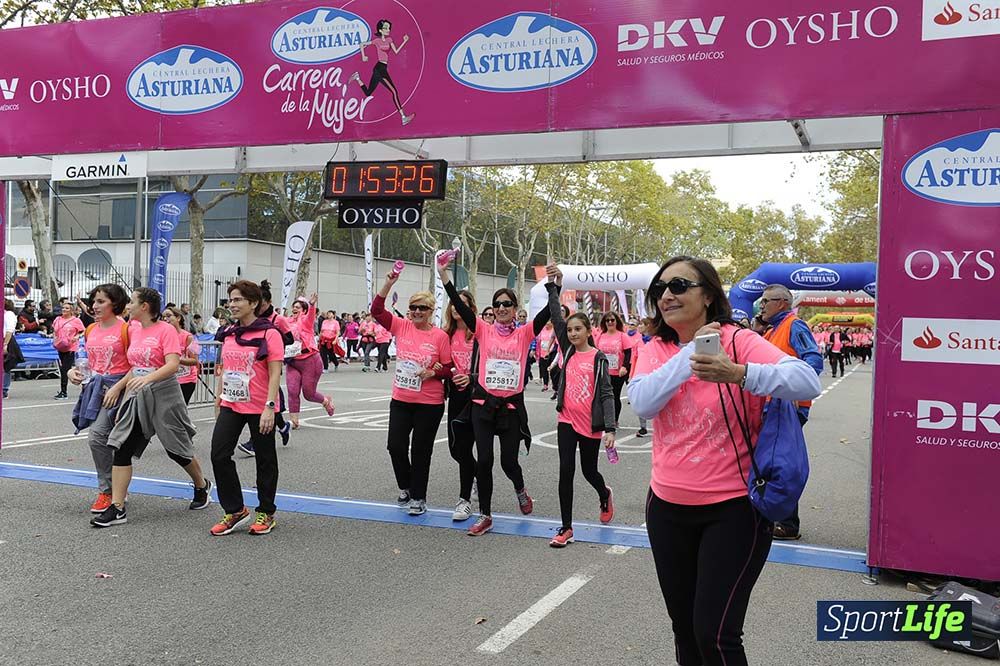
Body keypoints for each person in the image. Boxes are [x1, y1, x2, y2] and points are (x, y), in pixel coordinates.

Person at [627, 256, 820, 666]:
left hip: (733, 511)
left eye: (679, 285)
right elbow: (642, 403)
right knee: (683, 628)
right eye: (660, 288)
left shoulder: (738, 340)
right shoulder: (655, 349)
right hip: (666, 508)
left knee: (714, 634)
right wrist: (688, 356)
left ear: (709, 295)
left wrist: (741, 374)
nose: (667, 295)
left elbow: (808, 380)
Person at [439, 260, 559, 536]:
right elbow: (457, 301)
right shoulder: (482, 329)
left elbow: (548, 313)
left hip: (510, 409)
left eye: (507, 304)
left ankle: (520, 488)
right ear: (492, 309)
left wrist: (554, 285)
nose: (502, 308)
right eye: (497, 304)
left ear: (515, 309)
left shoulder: (525, 332)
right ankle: (486, 515)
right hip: (482, 406)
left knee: (508, 462)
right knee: (484, 461)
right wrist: (443, 274)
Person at [90, 288, 211, 527]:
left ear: (144, 306)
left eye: (132, 302)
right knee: (121, 445)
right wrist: (118, 387)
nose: (128, 306)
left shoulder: (165, 331)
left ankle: (202, 485)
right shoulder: (134, 330)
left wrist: (148, 379)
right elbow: (135, 366)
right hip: (137, 395)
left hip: (164, 393)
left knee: (176, 450)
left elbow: (173, 364)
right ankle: (117, 508)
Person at [371, 271, 452, 515]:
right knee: (395, 446)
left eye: (422, 308)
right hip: (401, 399)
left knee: (420, 450)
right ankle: (405, 486)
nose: (417, 312)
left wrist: (434, 373)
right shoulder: (401, 326)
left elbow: (449, 368)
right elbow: (376, 311)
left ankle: (418, 497)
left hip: (429, 403)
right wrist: (389, 283)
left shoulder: (439, 336)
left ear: (431, 311)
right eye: (413, 307)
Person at [547, 266, 616, 548]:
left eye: (578, 329)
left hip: (590, 424)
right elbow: (555, 314)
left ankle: (604, 492)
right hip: (566, 420)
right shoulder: (568, 349)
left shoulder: (599, 358)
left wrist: (610, 427)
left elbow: (607, 393)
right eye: (570, 329)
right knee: (566, 470)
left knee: (589, 471)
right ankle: (566, 527)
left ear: (589, 331)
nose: (573, 333)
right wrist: (555, 286)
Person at [209, 280, 285, 536]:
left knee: (265, 459)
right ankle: (235, 509)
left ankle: (266, 511)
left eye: (238, 299)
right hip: (232, 403)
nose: (232, 304)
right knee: (219, 454)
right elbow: (225, 368)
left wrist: (270, 407)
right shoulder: (230, 332)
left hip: (260, 406)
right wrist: (218, 397)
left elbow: (275, 373)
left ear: (253, 303)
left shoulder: (269, 333)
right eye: (230, 299)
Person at [756, 284, 824, 541]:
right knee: (769, 461)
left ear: (782, 302)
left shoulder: (794, 325)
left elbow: (813, 361)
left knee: (781, 464)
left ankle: (787, 523)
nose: (761, 306)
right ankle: (771, 514)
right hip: (771, 405)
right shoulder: (771, 329)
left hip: (788, 406)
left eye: (765, 302)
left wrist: (794, 391)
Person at [68, 284, 131, 513]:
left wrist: (118, 388)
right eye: (94, 301)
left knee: (98, 437)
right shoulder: (90, 330)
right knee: (103, 439)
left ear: (115, 303)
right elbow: (83, 361)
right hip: (96, 389)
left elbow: (137, 365)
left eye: (101, 301)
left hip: (122, 389)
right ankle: (110, 490)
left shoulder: (127, 329)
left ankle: (199, 484)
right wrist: (72, 373)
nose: (95, 306)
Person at [237, 280, 293, 455]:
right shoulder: (253, 319)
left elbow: (290, 339)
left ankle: (254, 442)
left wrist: (272, 338)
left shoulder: (278, 319)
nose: (259, 307)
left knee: (270, 400)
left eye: (261, 304)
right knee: (267, 400)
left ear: (268, 303)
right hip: (252, 365)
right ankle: (283, 427)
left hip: (271, 363)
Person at [442, 287, 478, 521]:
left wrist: (472, 378)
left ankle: (465, 499)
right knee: (455, 449)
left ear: (470, 308)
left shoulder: (479, 334)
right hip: (455, 395)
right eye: (454, 304)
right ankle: (475, 476)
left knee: (467, 447)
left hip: (476, 397)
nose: (456, 307)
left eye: (462, 303)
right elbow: (441, 364)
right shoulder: (444, 335)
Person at [349, 19, 414, 125]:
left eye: (389, 28)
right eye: (386, 28)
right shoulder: (376, 41)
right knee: (394, 91)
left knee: (368, 93)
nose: (388, 30)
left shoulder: (389, 40)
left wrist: (404, 41)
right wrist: (363, 56)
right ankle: (403, 117)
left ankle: (357, 78)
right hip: (379, 69)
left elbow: (396, 51)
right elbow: (362, 44)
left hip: (382, 68)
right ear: (380, 30)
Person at [285, 294, 335, 428]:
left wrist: (312, 305)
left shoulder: (306, 321)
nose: (295, 309)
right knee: (292, 390)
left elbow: (311, 315)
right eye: (293, 307)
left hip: (310, 360)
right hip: (292, 361)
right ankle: (294, 421)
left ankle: (325, 401)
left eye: (298, 307)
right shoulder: (286, 322)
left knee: (308, 394)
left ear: (304, 310)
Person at [594, 311, 632, 422]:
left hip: (617, 372)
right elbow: (595, 351)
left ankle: (614, 420)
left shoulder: (622, 336)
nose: (610, 322)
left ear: (616, 321)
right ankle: (603, 418)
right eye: (607, 320)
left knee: (614, 396)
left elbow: (628, 352)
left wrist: (624, 367)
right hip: (603, 371)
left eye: (612, 320)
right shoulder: (601, 336)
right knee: (602, 396)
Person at [163, 306, 201, 405]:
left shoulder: (188, 337)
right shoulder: (163, 336)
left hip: (185, 380)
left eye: (168, 316)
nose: (165, 319)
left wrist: (176, 359)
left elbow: (194, 360)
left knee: (179, 411)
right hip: (168, 380)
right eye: (163, 317)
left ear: (178, 318)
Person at [52, 302, 85, 400]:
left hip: (70, 347)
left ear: (71, 310)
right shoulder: (57, 319)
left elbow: (83, 330)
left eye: (67, 308)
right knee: (64, 368)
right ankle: (65, 389)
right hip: (60, 346)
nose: (64, 310)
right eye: (63, 308)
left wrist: (77, 336)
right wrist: (54, 338)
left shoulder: (76, 320)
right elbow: (55, 330)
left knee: (65, 369)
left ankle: (64, 392)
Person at [3, 299, 20, 399]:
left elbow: (9, 330)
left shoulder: (9, 314)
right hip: (4, 339)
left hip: (6, 340)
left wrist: (5, 344)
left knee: (5, 366)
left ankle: (4, 390)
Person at [536, 321, 556, 392]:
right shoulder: (542, 330)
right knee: (544, 370)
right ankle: (545, 385)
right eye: (546, 322)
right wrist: (537, 353)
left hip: (552, 353)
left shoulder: (554, 330)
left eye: (549, 322)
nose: (547, 323)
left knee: (552, 370)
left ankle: (554, 385)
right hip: (542, 353)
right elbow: (538, 342)